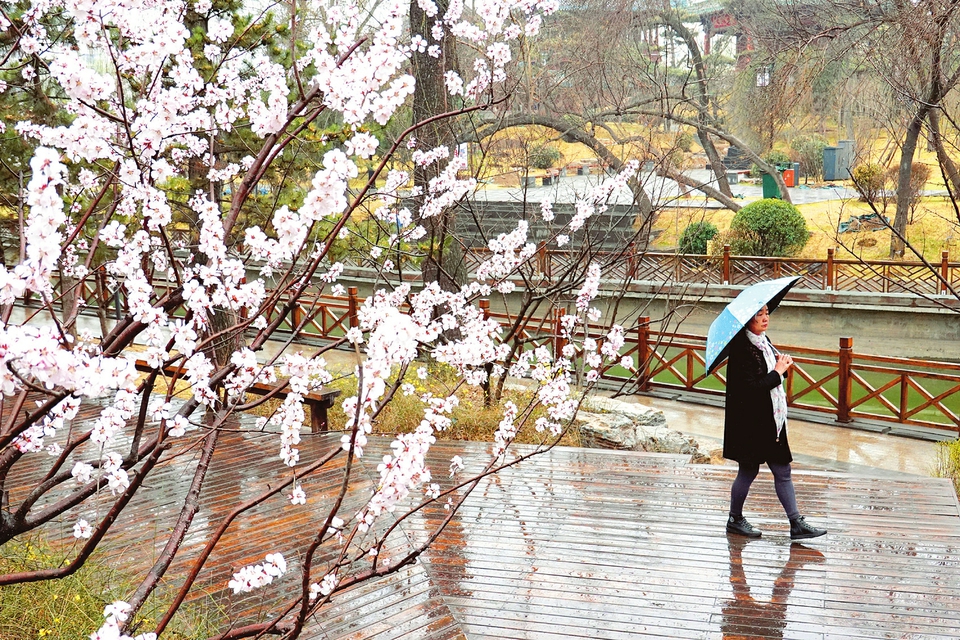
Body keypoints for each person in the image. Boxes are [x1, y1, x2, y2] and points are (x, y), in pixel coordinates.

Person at [723, 305, 827, 540]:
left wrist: (782, 366)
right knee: (748, 471)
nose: (764, 318)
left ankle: (796, 523)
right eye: (758, 314)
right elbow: (751, 389)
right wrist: (777, 371)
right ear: (746, 319)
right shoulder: (741, 349)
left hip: (773, 419)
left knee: (783, 469)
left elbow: (771, 376)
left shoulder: (763, 341)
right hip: (751, 422)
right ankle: (735, 519)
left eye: (767, 312)